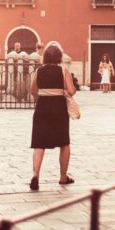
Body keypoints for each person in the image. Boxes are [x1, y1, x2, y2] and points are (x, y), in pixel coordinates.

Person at [29, 43, 76, 190]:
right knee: (64, 142)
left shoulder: (39, 71)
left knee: (39, 143)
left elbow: (32, 90)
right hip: (59, 108)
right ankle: (63, 177)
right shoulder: (63, 71)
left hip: (42, 107)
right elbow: (71, 90)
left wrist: (44, 94)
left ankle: (36, 175)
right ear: (60, 56)